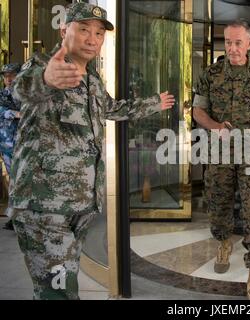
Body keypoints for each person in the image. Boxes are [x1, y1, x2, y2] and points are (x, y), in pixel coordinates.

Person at [9, 2, 175, 300]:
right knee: (58, 293)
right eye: (83, 29)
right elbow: (22, 89)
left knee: (60, 287)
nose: (91, 38)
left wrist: (153, 104)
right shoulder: (42, 65)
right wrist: (46, 79)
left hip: (80, 205)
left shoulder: (93, 80)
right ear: (64, 31)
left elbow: (112, 109)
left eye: (98, 33)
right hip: (46, 206)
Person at [193, 20, 250, 300]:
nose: (232, 48)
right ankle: (223, 242)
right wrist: (216, 126)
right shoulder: (211, 74)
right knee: (219, 204)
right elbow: (198, 112)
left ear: (249, 44)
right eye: (228, 42)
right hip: (219, 152)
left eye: (237, 42)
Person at [0, 63, 21, 230]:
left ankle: (18, 218)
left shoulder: (26, 95)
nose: (8, 78)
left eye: (12, 74)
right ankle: (15, 218)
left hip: (24, 144)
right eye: (6, 75)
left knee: (21, 181)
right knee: (12, 181)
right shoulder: (2, 95)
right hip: (6, 145)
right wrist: (15, 113)